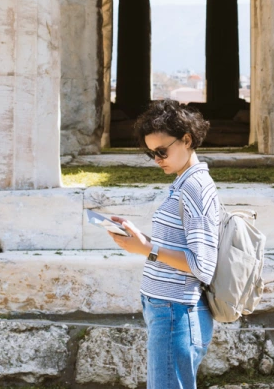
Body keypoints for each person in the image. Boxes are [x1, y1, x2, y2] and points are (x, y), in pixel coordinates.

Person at [107, 99, 222, 389]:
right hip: (167, 309)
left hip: (177, 311)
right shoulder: (183, 182)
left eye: (161, 151)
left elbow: (202, 265)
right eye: (150, 153)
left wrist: (146, 249)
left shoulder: (195, 187)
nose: (157, 159)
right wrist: (140, 239)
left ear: (187, 139)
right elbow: (178, 244)